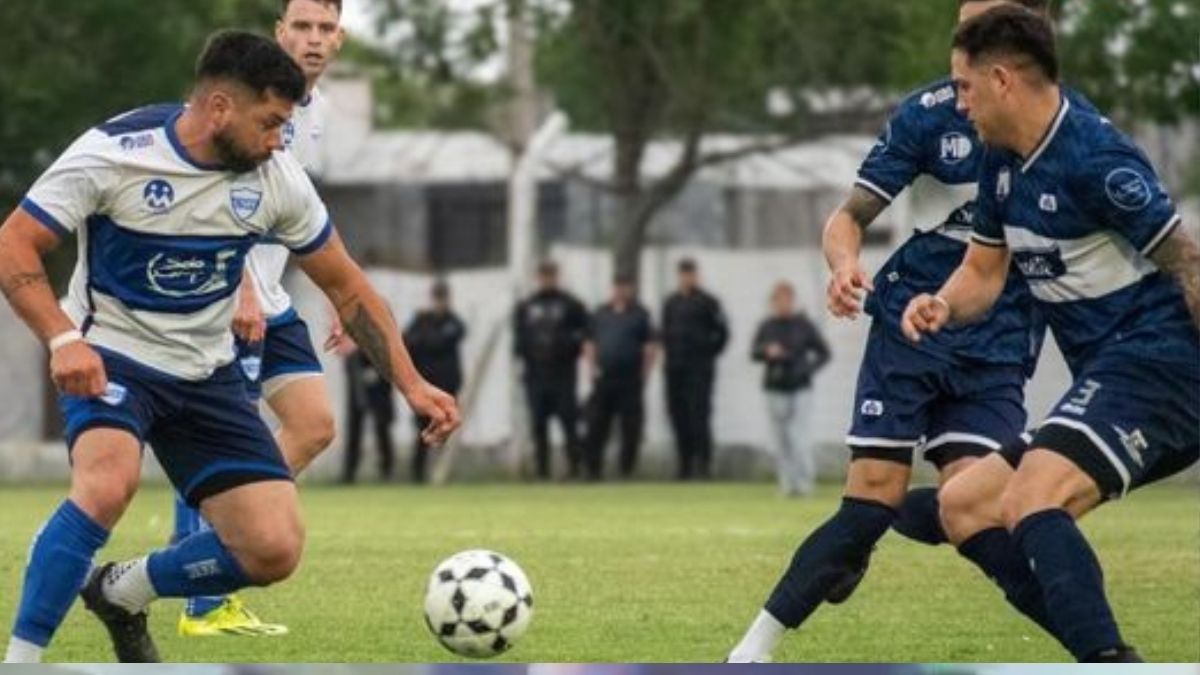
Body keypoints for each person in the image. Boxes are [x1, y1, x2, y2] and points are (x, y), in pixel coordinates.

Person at [0, 30, 458, 663]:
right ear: (219, 108)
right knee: (107, 485)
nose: (278, 140)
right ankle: (19, 661)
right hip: (113, 356)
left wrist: (413, 384)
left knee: (273, 548)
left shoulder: (276, 178)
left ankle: (121, 591)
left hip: (205, 371)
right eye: (269, 123)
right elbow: (13, 243)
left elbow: (347, 285)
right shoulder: (114, 153)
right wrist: (62, 339)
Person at [727, 0, 1073, 663]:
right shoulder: (930, 114)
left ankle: (1103, 654)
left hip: (998, 342)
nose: (964, 33)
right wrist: (843, 265)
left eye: (981, 21)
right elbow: (848, 217)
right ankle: (748, 652)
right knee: (869, 499)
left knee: (978, 511)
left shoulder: (1071, 129)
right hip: (909, 328)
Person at [903, 7, 1199, 662]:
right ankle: (1111, 657)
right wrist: (941, 304)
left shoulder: (1095, 158)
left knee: (1033, 497)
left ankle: (1107, 664)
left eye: (964, 88)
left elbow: (1189, 263)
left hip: (1160, 364)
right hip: (1106, 376)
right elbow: (983, 271)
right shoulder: (1000, 161)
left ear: (1001, 80)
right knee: (964, 506)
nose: (958, 104)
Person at [168, 0, 346, 638]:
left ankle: (211, 542)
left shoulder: (317, 113)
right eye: (302, 26)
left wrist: (340, 297)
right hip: (227, 299)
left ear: (341, 38)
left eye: (325, 28)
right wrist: (240, 285)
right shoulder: (242, 99)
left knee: (314, 425)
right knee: (223, 444)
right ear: (280, 32)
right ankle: (203, 597)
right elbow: (207, 196)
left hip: (272, 299)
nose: (314, 38)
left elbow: (303, 215)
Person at [751, 281, 830, 497]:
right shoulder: (767, 326)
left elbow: (824, 353)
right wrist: (767, 352)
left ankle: (804, 483)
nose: (783, 304)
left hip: (800, 387)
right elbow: (754, 353)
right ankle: (786, 484)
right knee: (780, 439)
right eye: (778, 300)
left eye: (786, 299)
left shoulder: (803, 325)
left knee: (798, 437)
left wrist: (807, 370)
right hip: (774, 387)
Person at [513, 261, 588, 480]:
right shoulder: (527, 306)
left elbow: (584, 333)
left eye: (551, 275)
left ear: (557, 276)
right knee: (538, 424)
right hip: (536, 375)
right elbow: (520, 339)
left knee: (568, 421)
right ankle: (542, 471)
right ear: (538, 278)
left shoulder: (571, 305)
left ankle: (574, 468)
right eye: (544, 275)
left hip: (563, 374)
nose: (547, 280)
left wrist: (566, 344)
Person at [582, 274, 657, 480]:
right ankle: (593, 470)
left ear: (630, 289)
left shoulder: (640, 314)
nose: (621, 290)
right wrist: (591, 369)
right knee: (597, 425)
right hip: (604, 378)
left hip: (630, 379)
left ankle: (626, 470)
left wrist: (645, 373)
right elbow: (590, 343)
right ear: (612, 288)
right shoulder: (600, 313)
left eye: (625, 286)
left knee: (630, 428)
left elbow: (650, 346)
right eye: (618, 286)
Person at [661, 258, 728, 480]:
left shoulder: (708, 302)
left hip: (699, 369)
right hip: (675, 368)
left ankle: (703, 465)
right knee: (678, 416)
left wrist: (707, 354)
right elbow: (664, 333)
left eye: (690, 274)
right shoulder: (670, 303)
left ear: (696, 276)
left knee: (699, 416)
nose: (686, 278)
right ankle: (684, 465)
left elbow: (722, 333)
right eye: (683, 274)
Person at [404, 279, 467, 483]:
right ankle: (417, 474)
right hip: (426, 387)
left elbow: (443, 339)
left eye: (443, 298)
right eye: (437, 298)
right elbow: (408, 341)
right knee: (422, 430)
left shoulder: (453, 322)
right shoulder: (422, 320)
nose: (440, 303)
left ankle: (443, 473)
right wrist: (429, 339)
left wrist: (427, 340)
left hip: (447, 388)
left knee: (447, 429)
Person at [339, 336, 398, 483]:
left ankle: (387, 470)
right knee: (354, 433)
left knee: (382, 431)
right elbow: (349, 366)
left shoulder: (379, 338)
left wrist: (375, 373)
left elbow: (388, 364)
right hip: (358, 393)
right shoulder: (352, 343)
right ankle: (349, 472)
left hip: (379, 394)